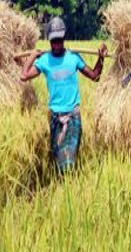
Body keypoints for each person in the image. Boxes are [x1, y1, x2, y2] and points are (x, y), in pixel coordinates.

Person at [20, 17, 107, 172]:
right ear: (49, 41)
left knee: (68, 163)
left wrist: (101, 57)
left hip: (73, 117)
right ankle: (62, 188)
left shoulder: (73, 58)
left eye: (59, 41)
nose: (57, 45)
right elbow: (24, 75)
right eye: (54, 41)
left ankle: (69, 190)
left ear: (64, 38)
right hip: (55, 117)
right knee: (58, 160)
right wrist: (33, 55)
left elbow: (95, 76)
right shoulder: (45, 60)